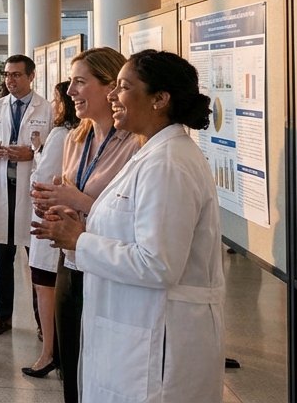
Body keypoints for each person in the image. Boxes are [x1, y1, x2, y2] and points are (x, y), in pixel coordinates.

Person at [33, 50, 224, 403]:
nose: (111, 96)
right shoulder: (151, 154)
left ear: (160, 99)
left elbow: (159, 264)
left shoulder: (168, 163)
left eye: (122, 87)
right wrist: (80, 226)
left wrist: (80, 240)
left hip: (159, 341)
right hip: (135, 331)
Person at [30, 47, 137, 403]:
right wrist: (56, 207)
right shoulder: (76, 138)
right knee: (72, 366)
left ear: (111, 87)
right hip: (72, 264)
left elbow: (132, 218)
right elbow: (70, 193)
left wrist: (79, 203)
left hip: (109, 268)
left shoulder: (136, 145)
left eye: (80, 82)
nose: (70, 91)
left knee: (106, 371)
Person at [0, 54, 51, 337]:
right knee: (1, 260)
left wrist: (33, 154)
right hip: (2, 190)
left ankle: (42, 321)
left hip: (31, 194)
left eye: (17, 75)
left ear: (31, 76)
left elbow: (55, 150)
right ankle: (2, 316)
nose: (10, 80)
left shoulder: (47, 110)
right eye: (7, 75)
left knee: (38, 261)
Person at [22, 80, 78, 378]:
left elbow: (43, 177)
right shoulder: (78, 133)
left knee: (45, 287)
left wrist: (37, 153)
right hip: (66, 220)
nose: (55, 104)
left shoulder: (60, 134)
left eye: (57, 99)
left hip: (51, 218)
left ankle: (48, 354)